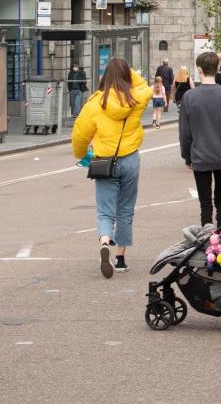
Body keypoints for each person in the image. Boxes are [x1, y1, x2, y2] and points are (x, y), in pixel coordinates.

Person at [71, 57, 152, 279]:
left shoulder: (96, 103)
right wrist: (129, 72)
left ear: (105, 76)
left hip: (105, 162)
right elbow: (145, 87)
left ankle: (105, 241)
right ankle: (121, 259)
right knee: (125, 210)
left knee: (105, 210)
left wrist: (80, 154)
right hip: (130, 159)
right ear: (128, 76)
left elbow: (80, 133)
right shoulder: (136, 99)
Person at [179, 51, 221, 228]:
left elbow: (185, 132)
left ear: (199, 70)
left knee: (205, 203)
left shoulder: (189, 97)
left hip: (200, 156)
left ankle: (207, 238)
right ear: (218, 69)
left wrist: (187, 155)